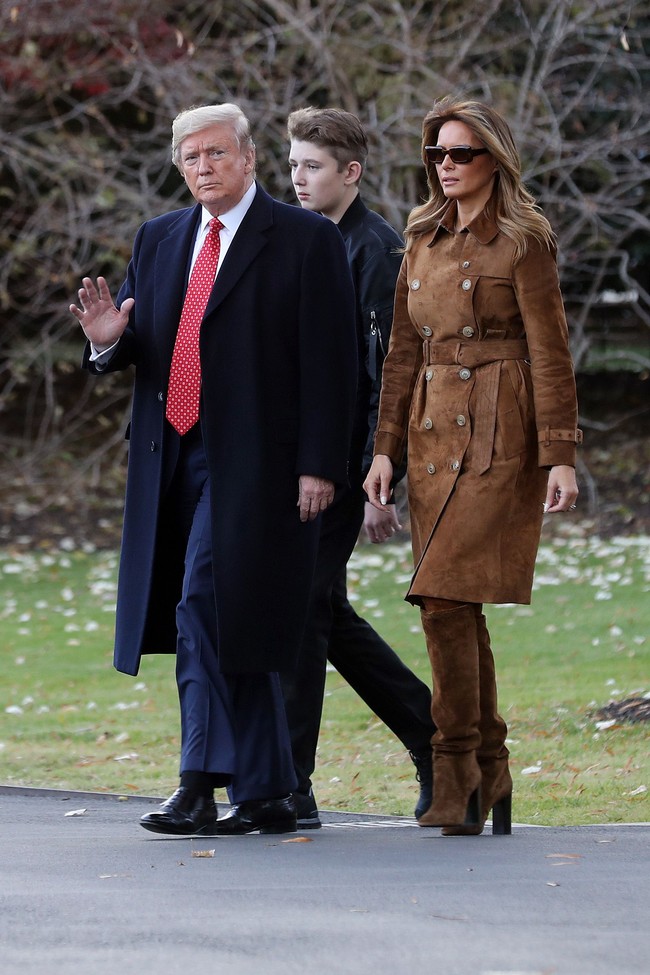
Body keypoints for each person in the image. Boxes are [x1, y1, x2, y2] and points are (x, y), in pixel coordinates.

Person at [70, 103, 357, 836]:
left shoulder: (305, 239)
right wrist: (107, 342)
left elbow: (333, 363)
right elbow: (147, 344)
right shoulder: (160, 238)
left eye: (217, 153)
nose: (204, 167)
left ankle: (196, 784)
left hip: (261, 465)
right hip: (170, 458)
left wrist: (320, 465)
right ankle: (267, 791)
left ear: (250, 157)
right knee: (232, 616)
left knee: (201, 605)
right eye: (191, 157)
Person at [364, 97, 582, 836]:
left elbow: (551, 353)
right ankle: (489, 765)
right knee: (449, 602)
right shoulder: (420, 238)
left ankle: (458, 768)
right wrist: (385, 450)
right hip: (430, 436)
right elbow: (402, 354)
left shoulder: (523, 241)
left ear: (495, 159)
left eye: (461, 153)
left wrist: (560, 455)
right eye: (437, 154)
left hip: (499, 435)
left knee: (445, 595)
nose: (446, 166)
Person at [283, 107, 436, 828]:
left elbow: (389, 375)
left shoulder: (372, 250)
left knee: (308, 612)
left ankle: (292, 782)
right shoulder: (309, 241)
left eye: (312, 166)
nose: (298, 178)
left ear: (351, 172)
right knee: (321, 611)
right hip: (305, 461)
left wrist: (382, 477)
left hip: (346, 466)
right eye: (292, 164)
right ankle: (439, 740)